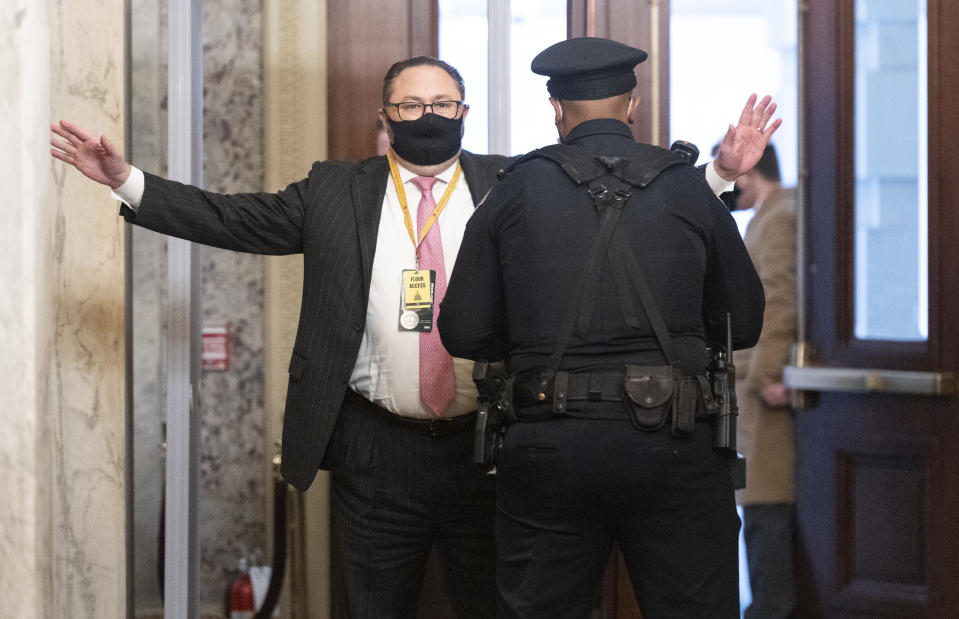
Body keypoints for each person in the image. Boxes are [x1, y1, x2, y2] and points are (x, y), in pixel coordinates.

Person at [52, 52, 772, 618]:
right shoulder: (336, 190)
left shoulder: (517, 182)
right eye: (410, 104)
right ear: (384, 116)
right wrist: (127, 180)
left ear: (463, 112)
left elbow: (634, 219)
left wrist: (715, 176)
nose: (427, 115)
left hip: (487, 446)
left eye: (441, 103)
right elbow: (235, 218)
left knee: (501, 604)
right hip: (376, 449)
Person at [439, 37, 774, 618]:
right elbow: (741, 324)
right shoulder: (687, 189)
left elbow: (464, 332)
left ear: (555, 107)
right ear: (633, 106)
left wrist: (527, 343)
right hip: (677, 443)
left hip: (548, 444)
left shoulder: (511, 191)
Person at [732, 144, 798, 619]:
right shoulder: (770, 214)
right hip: (752, 386)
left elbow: (778, 298)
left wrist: (769, 373)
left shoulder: (779, 217)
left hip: (764, 392)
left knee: (766, 512)